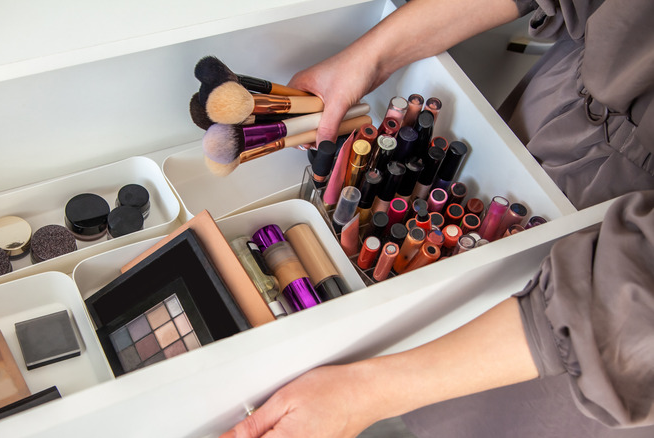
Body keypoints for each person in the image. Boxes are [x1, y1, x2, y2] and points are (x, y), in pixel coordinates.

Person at [221, 0, 654, 436]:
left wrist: (365, 393)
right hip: (552, 105)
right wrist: (367, 59)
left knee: (501, 418)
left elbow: (628, 311)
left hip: (606, 309)